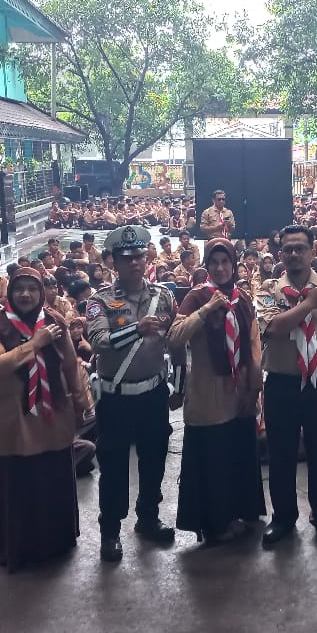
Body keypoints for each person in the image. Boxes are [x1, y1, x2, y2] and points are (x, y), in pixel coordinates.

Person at [0, 268, 91, 571]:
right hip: (14, 417)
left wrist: (80, 399)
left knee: (51, 476)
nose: (25, 294)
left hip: (51, 413)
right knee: (19, 483)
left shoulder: (55, 320)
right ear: (9, 293)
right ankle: (18, 548)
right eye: (19, 289)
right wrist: (35, 343)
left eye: (32, 288)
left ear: (41, 292)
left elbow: (70, 364)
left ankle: (56, 543)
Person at [85, 225, 184, 562]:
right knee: (112, 466)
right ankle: (110, 531)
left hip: (153, 393)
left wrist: (178, 387)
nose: (135, 263)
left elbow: (176, 341)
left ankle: (148, 517)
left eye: (140, 256)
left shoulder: (163, 295)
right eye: (127, 258)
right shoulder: (100, 301)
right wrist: (134, 329)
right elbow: (98, 342)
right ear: (114, 262)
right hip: (115, 397)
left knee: (154, 459)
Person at [255, 223, 317, 548]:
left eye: (301, 247)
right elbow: (272, 329)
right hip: (282, 384)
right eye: (288, 249)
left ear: (313, 251)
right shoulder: (268, 290)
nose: (295, 254)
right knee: (281, 454)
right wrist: (308, 304)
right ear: (279, 254)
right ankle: (283, 518)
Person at [169, 238, 266, 544]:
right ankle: (215, 523)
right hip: (208, 393)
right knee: (213, 459)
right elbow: (174, 337)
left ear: (234, 265)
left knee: (236, 453)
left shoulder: (243, 298)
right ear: (207, 267)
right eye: (214, 263)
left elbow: (252, 344)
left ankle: (240, 511)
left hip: (238, 391)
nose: (221, 268)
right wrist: (207, 309)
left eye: (226, 262)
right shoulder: (198, 296)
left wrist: (254, 387)